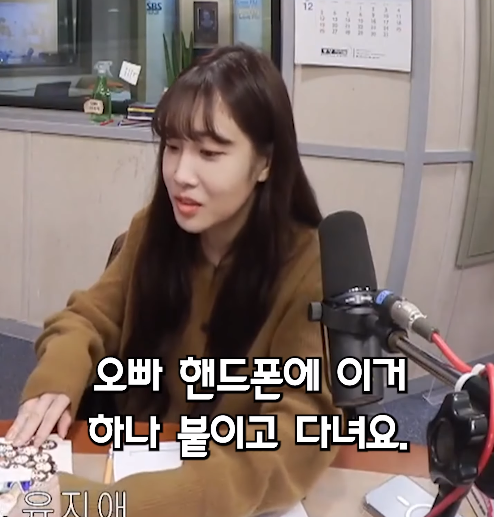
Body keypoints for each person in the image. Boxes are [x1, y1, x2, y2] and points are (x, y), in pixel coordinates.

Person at [6, 44, 341, 517]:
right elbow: (86, 317)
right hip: (135, 450)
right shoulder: (153, 229)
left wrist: (110, 505)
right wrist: (56, 381)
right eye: (174, 147)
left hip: (218, 489)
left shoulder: (309, 264)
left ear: (265, 162)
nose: (181, 174)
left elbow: (297, 433)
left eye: (209, 152)